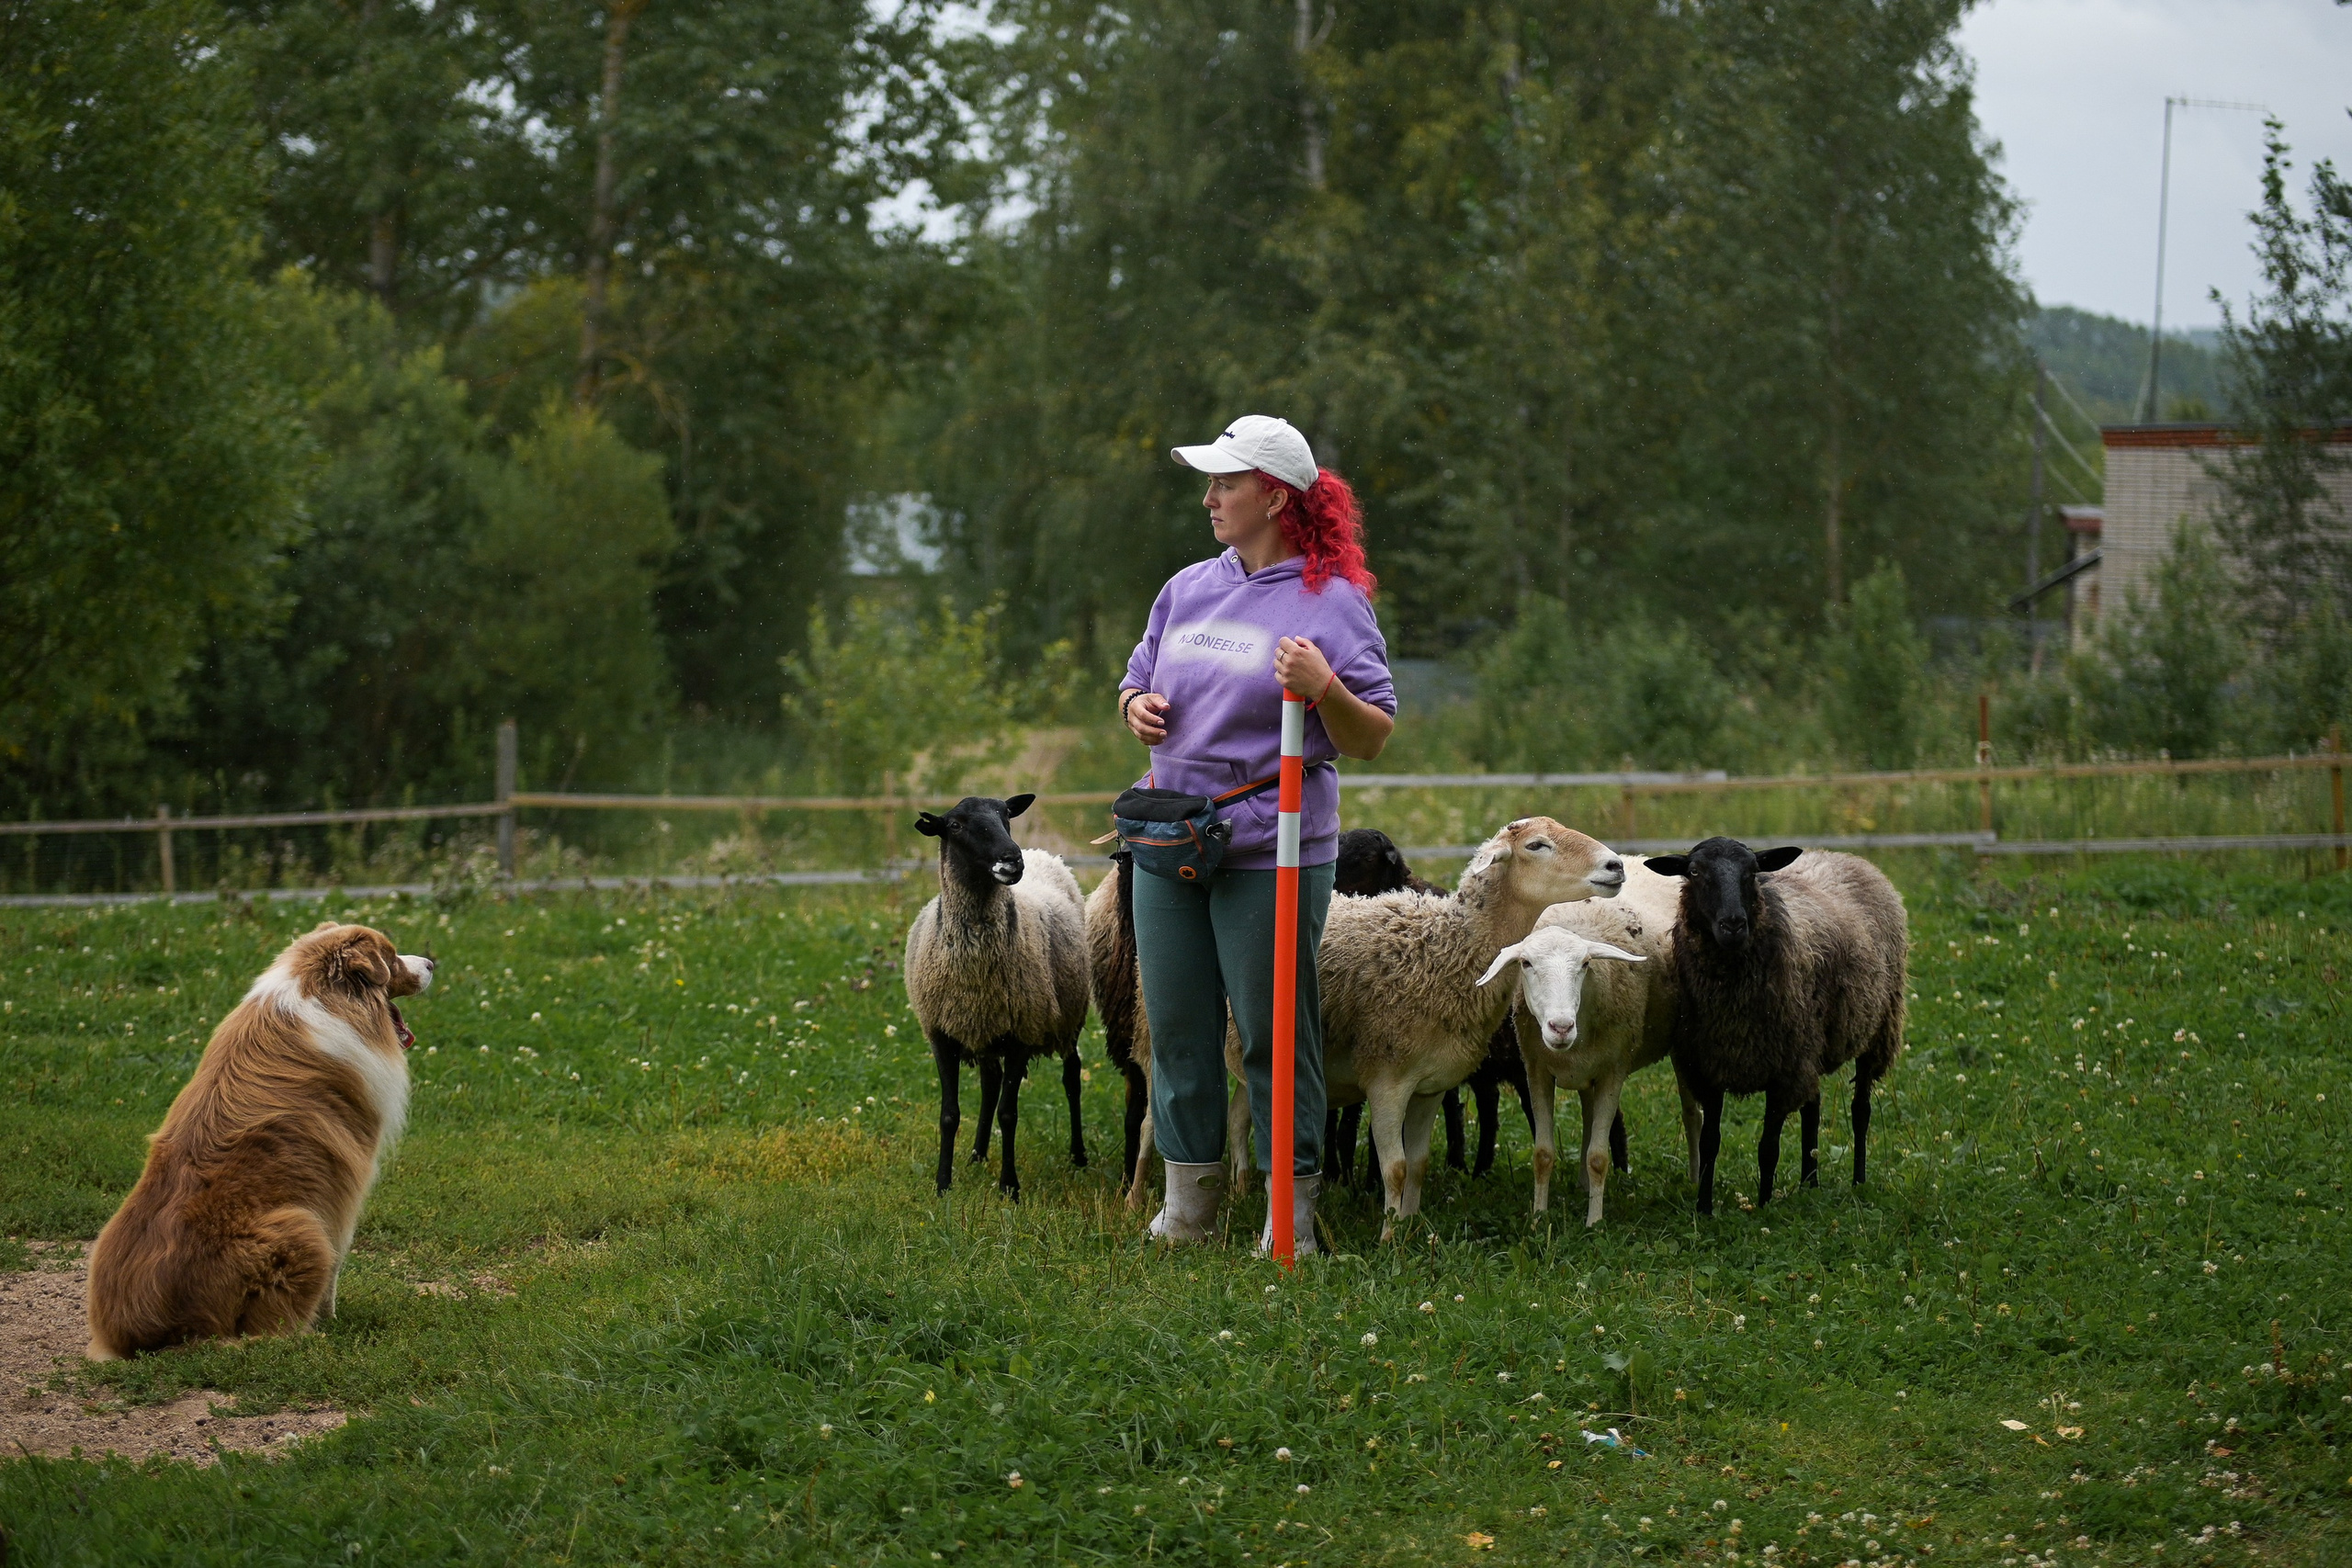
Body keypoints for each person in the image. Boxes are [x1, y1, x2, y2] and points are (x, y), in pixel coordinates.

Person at [1119, 414, 1396, 1253]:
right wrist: (1136, 706)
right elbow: (1137, 674)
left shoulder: (1332, 600)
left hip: (1270, 848)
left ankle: (1291, 1215)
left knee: (1274, 1033)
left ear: (1274, 496)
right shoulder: (1186, 588)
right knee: (1176, 1026)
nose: (1209, 498)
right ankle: (1189, 1208)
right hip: (1170, 837)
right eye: (1210, 483)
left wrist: (1324, 687)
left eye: (1225, 483)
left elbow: (1372, 735)